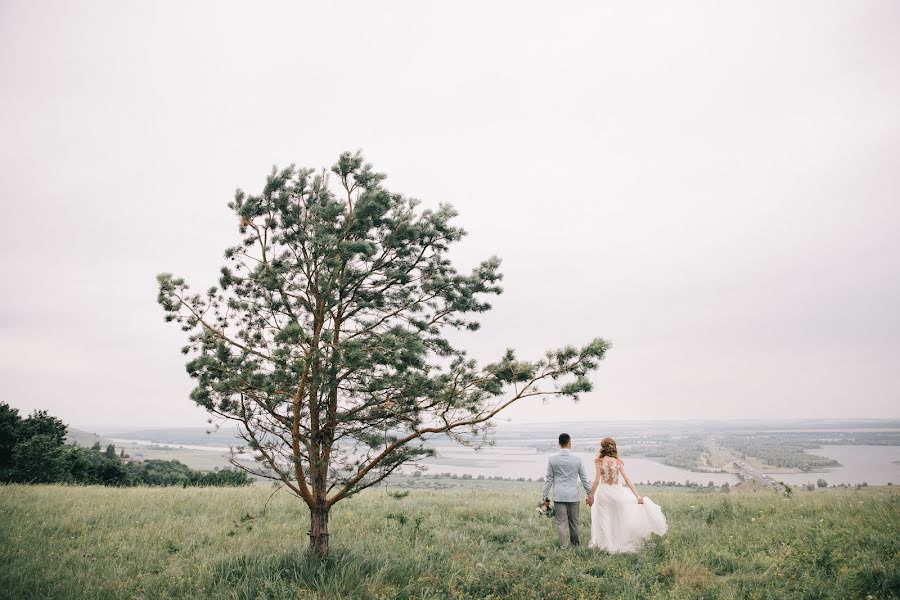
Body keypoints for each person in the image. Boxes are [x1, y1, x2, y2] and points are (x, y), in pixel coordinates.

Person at [588, 436, 668, 553]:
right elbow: (627, 479)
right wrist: (637, 496)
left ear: (602, 448)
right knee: (618, 518)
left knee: (604, 519)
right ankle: (617, 542)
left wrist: (590, 496)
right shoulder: (618, 462)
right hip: (616, 492)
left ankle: (606, 545)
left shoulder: (598, 461)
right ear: (614, 447)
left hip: (603, 493)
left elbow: (596, 481)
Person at [541, 432, 592, 548]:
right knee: (574, 522)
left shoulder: (552, 459)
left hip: (559, 495)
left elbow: (548, 479)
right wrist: (590, 494)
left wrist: (544, 496)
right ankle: (575, 546)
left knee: (561, 522)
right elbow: (584, 479)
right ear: (570, 443)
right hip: (573, 495)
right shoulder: (578, 459)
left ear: (559, 443)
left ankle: (564, 547)